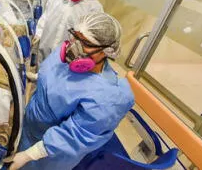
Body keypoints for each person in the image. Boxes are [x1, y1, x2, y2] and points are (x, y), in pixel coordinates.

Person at [10, 12, 134, 170]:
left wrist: (29, 155)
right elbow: (54, 76)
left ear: (106, 51)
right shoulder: (64, 57)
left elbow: (73, 137)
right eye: (76, 35)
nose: (74, 45)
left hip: (49, 154)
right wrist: (35, 77)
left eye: (86, 43)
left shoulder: (109, 97)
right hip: (28, 126)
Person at [33, 0, 103, 58]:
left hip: (68, 56)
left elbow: (92, 37)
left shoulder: (94, 8)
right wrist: (38, 33)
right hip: (45, 47)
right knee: (42, 67)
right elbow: (46, 17)